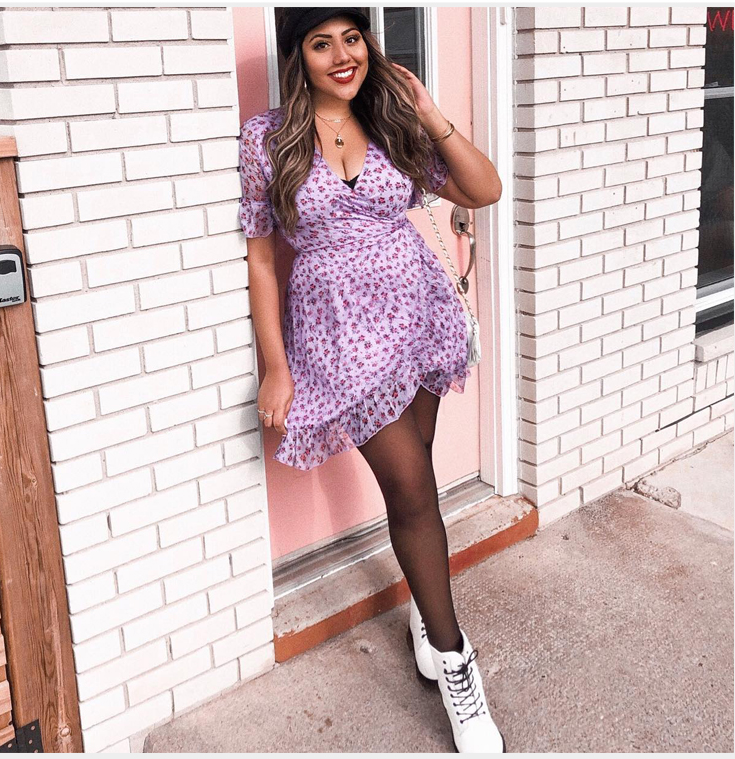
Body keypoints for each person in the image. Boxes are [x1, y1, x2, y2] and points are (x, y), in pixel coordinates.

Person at [238, 7, 504, 754]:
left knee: (417, 481)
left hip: (419, 315)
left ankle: (426, 608)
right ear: (300, 56)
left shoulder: (392, 120)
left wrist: (432, 113)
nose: (342, 55)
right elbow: (262, 259)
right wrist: (276, 366)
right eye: (321, 43)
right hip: (341, 338)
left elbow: (484, 190)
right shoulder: (269, 138)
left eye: (352, 37)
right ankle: (457, 663)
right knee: (413, 490)